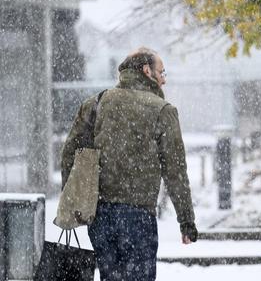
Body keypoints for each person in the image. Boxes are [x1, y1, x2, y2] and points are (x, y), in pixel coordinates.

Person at [60, 47, 197, 281]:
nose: (164, 79)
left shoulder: (96, 103)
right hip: (138, 216)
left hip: (100, 215)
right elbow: (175, 171)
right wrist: (186, 221)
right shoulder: (162, 111)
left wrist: (76, 203)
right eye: (162, 72)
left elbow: (69, 154)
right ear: (147, 71)